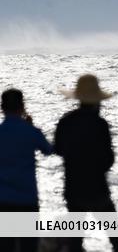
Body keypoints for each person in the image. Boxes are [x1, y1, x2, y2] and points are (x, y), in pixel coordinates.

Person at [54, 75, 118, 252]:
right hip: (97, 188)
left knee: (75, 241)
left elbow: (58, 149)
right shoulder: (100, 124)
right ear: (97, 101)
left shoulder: (65, 121)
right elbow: (108, 160)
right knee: (117, 238)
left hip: (73, 188)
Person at [0, 88, 53, 252]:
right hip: (27, 199)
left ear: (2, 108)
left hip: (3, 199)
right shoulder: (30, 131)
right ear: (22, 106)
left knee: (6, 246)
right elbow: (48, 150)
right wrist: (30, 126)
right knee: (28, 246)